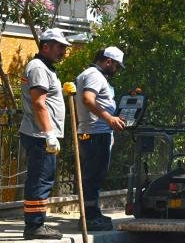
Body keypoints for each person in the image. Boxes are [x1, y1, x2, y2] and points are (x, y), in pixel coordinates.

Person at [20, 28, 71, 240]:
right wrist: (50, 133)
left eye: (65, 48)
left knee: (42, 179)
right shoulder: (39, 68)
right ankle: (34, 226)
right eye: (60, 47)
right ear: (46, 46)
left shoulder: (45, 68)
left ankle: (36, 223)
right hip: (40, 135)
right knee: (40, 180)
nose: (63, 52)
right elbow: (39, 103)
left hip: (42, 134)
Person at [74, 47, 126, 231]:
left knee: (93, 175)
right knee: (93, 176)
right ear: (108, 61)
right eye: (117, 66)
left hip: (94, 132)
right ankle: (89, 217)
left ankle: (92, 212)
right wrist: (109, 118)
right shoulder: (94, 75)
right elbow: (88, 99)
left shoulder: (89, 75)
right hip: (95, 133)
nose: (117, 71)